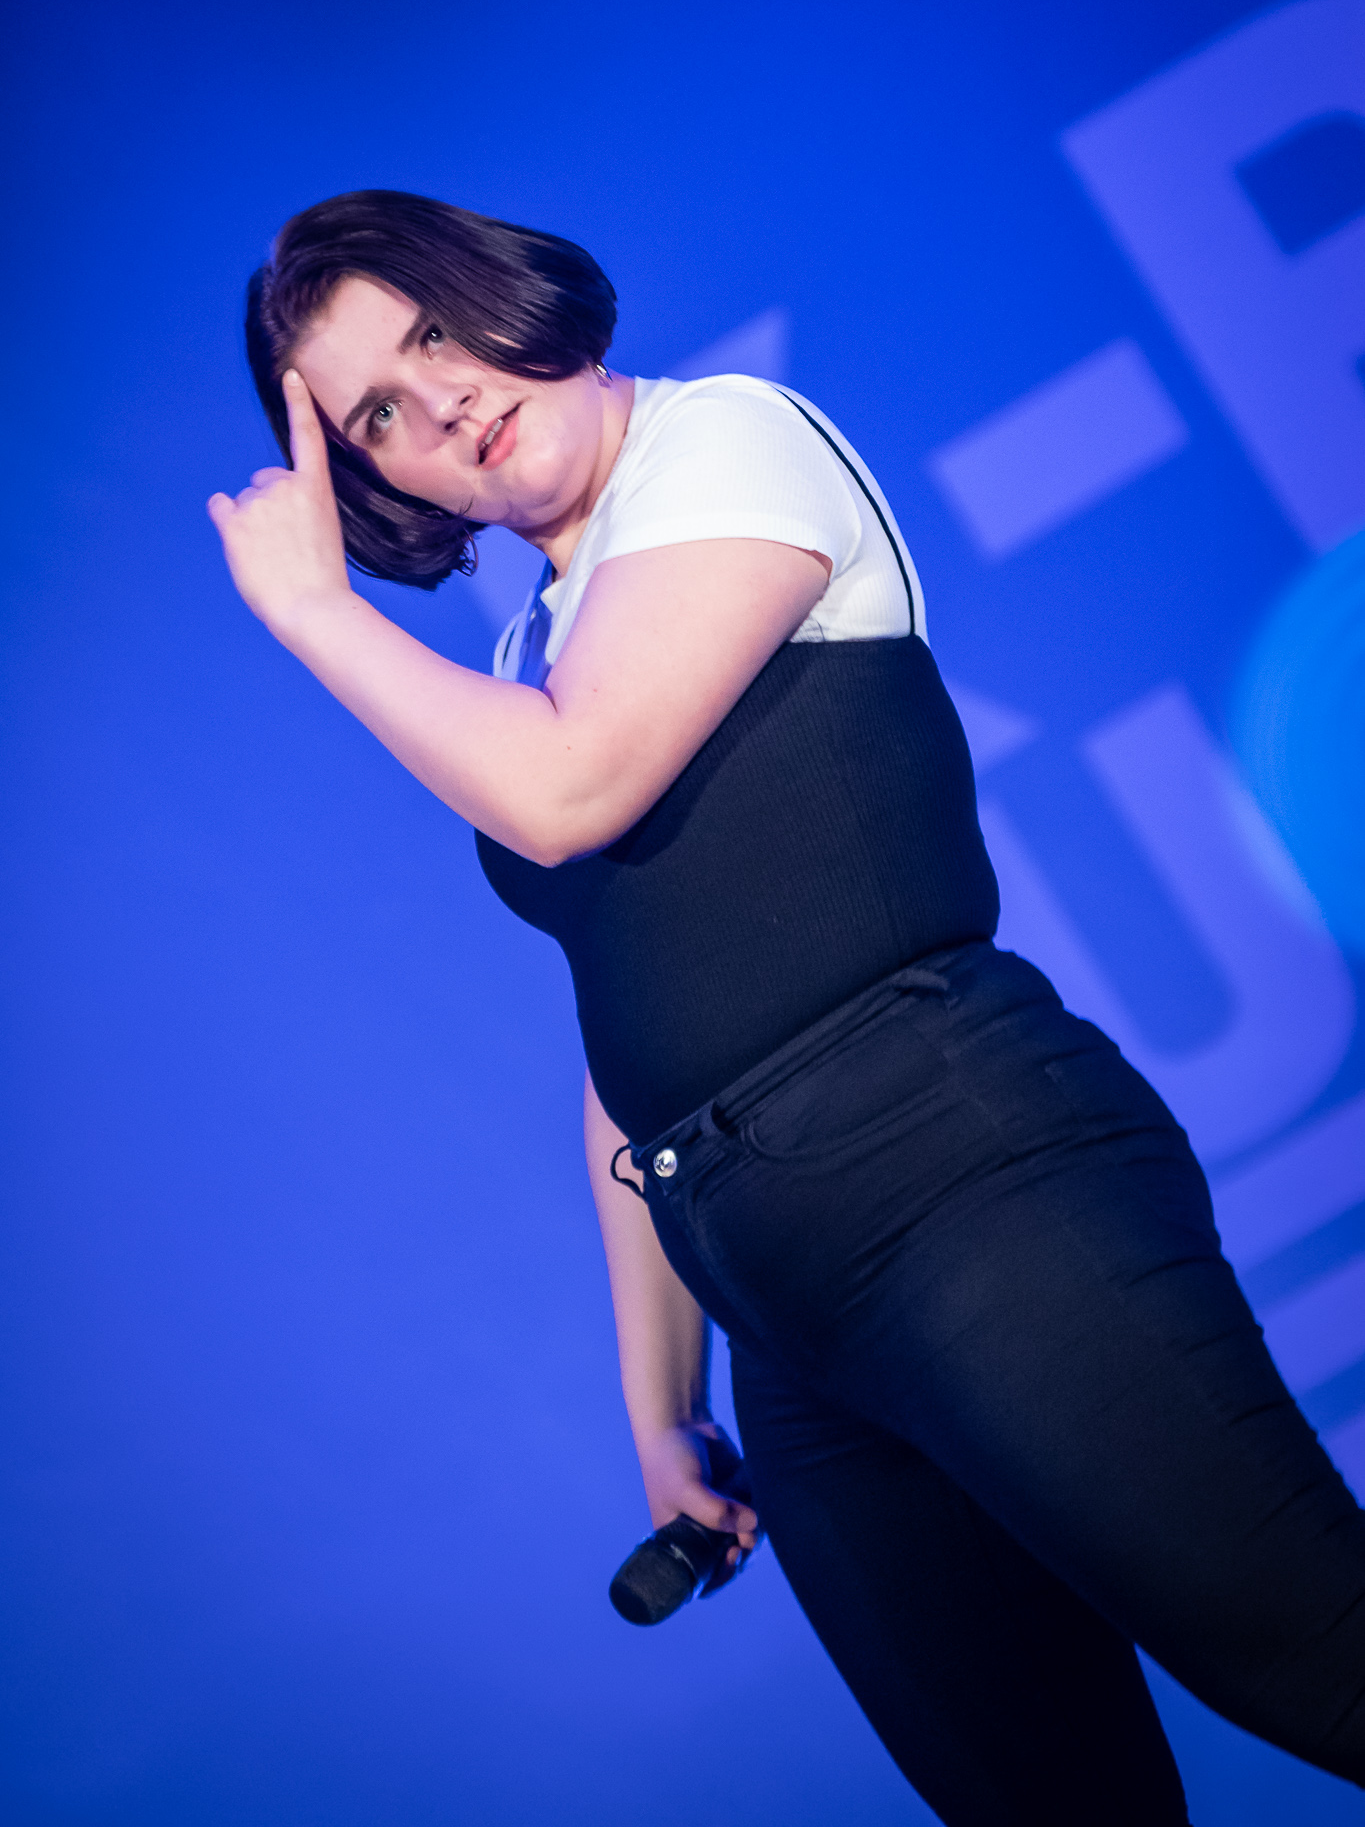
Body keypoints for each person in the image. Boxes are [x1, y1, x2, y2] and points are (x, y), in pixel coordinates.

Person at [212, 189, 1365, 1827]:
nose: (442, 400)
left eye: (436, 330)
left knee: (1323, 1658)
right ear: (375, 481)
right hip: (788, 1326)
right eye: (377, 414)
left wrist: (315, 610)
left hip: (964, 1189)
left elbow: (569, 789)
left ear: (511, 292)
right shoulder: (536, 647)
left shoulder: (723, 442)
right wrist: (662, 1407)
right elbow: (629, 1060)